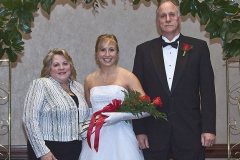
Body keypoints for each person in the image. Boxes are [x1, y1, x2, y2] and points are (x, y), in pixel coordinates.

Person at [132, 0, 216, 159]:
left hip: (190, 131)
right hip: (154, 132)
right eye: (163, 16)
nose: (168, 19)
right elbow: (137, 95)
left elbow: (207, 92)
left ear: (179, 18)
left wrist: (209, 128)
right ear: (158, 21)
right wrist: (140, 130)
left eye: (171, 14)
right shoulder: (143, 51)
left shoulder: (199, 48)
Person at [79, 34, 146, 160]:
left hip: (122, 136)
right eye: (102, 50)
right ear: (96, 54)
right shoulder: (89, 80)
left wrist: (120, 116)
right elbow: (89, 110)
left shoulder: (128, 77)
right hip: (95, 138)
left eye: (111, 49)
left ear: (117, 53)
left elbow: (147, 109)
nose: (107, 54)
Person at [22, 48, 89, 160]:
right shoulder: (41, 84)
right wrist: (43, 152)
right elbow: (29, 119)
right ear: (49, 69)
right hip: (49, 149)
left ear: (70, 66)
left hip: (75, 149)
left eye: (65, 63)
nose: (61, 68)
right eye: (56, 65)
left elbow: (85, 119)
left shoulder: (78, 87)